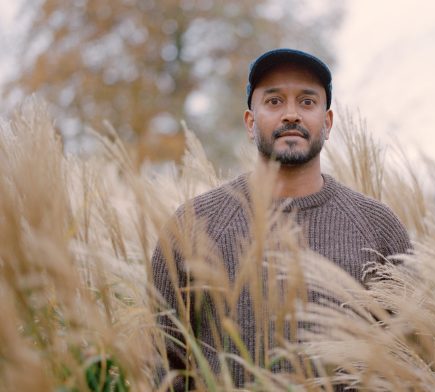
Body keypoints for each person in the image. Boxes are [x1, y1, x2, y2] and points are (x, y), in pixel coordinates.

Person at [151, 48, 412, 390]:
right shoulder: (194, 223)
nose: (291, 114)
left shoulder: (377, 226)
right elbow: (162, 359)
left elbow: (410, 358)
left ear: (328, 122)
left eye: (307, 102)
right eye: (274, 102)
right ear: (250, 121)